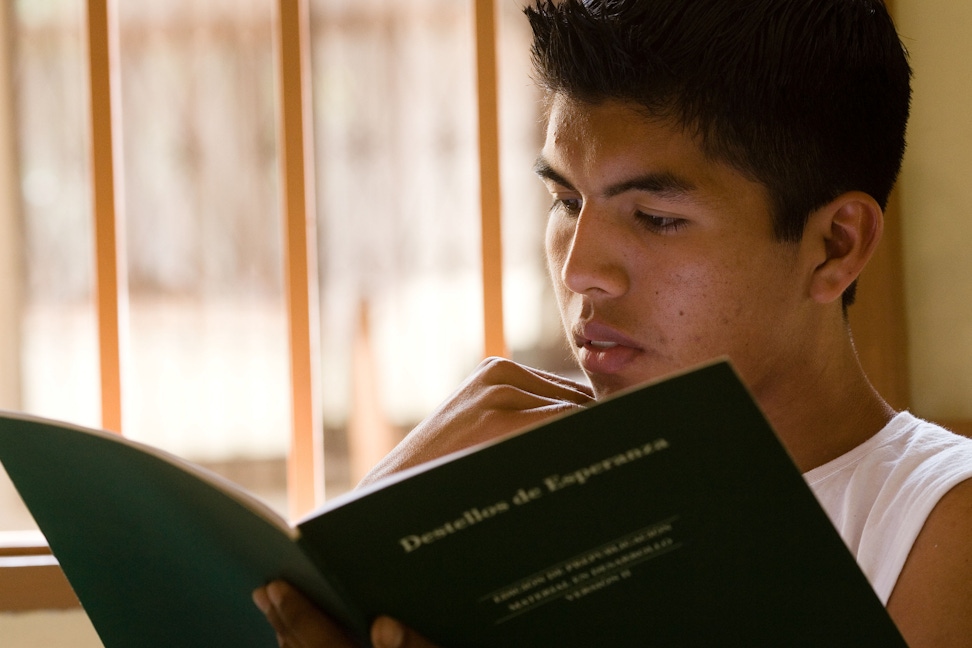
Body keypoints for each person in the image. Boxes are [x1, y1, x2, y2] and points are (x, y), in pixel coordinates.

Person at [253, 0, 972, 646]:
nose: (579, 271)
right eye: (566, 203)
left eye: (656, 218)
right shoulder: (521, 520)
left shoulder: (938, 522)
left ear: (834, 246)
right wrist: (373, 530)